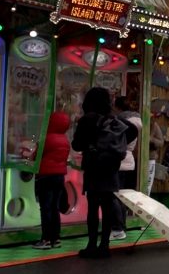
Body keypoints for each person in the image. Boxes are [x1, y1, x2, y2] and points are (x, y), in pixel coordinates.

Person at [72, 87, 138, 258]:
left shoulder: (88, 119)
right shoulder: (113, 119)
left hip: (94, 167)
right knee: (108, 207)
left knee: (93, 207)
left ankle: (91, 245)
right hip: (111, 168)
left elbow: (76, 145)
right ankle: (105, 246)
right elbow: (132, 130)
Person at [32, 111, 70, 250]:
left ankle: (46, 239)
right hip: (59, 176)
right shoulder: (65, 140)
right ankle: (56, 238)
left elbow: (36, 155)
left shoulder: (46, 138)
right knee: (55, 207)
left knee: (45, 207)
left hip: (45, 176)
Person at [109, 96, 142, 241]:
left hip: (119, 160)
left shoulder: (120, 122)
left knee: (114, 195)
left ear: (117, 107)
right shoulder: (137, 122)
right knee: (122, 195)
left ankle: (117, 228)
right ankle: (121, 226)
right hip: (129, 161)